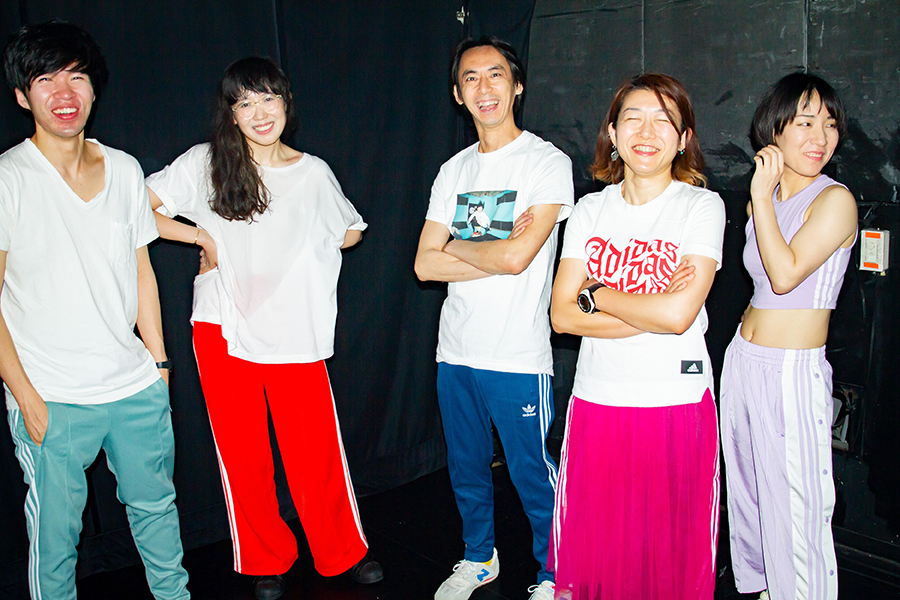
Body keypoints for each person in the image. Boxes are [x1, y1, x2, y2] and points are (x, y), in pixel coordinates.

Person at [145, 57, 380, 600]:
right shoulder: (205, 162)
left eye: (268, 98)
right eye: (244, 102)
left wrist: (300, 247)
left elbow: (350, 232)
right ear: (231, 114)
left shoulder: (313, 172)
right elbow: (135, 207)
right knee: (243, 451)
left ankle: (341, 550)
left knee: (315, 450)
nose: (259, 112)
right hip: (222, 325)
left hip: (295, 328)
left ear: (286, 103)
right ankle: (264, 557)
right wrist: (201, 237)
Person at [0, 21, 190, 600]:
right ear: (22, 96)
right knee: (56, 541)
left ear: (94, 88)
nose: (64, 93)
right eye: (45, 79)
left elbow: (141, 270)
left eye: (76, 77)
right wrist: (25, 396)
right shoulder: (9, 178)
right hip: (52, 396)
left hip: (133, 386)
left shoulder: (126, 170)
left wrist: (159, 366)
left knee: (159, 516)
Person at [549, 74, 725, 600]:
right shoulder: (589, 210)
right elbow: (562, 316)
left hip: (674, 402)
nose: (647, 132)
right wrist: (655, 307)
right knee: (602, 561)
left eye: (664, 121)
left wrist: (598, 293)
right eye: (633, 118)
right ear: (612, 132)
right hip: (598, 400)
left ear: (684, 138)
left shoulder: (701, 207)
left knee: (669, 562)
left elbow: (677, 316)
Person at [414, 36, 573, 600]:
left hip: (517, 353)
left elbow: (516, 259)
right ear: (458, 95)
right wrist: (492, 248)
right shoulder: (452, 170)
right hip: (456, 349)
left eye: (496, 74)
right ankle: (479, 557)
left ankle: (556, 572)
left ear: (517, 84)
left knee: (533, 473)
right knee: (466, 467)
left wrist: (456, 245)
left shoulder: (546, 162)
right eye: (471, 78)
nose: (484, 88)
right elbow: (423, 264)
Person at [720, 73, 857, 600]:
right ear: (773, 129)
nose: (820, 137)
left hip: (792, 370)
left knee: (797, 508)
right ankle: (763, 589)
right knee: (750, 494)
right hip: (744, 360)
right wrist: (764, 197)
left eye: (830, 124)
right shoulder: (768, 199)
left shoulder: (835, 200)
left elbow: (784, 275)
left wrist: (759, 195)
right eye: (805, 123)